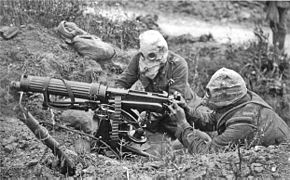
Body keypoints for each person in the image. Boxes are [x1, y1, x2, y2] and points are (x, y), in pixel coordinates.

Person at [168, 67, 290, 154]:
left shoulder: (244, 122)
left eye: (210, 94)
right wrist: (187, 110)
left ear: (225, 98)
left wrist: (183, 124)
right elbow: (212, 119)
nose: (205, 97)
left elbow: (206, 153)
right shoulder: (242, 99)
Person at [115, 30, 207, 137]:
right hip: (156, 107)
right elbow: (122, 82)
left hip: (183, 109)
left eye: (152, 55)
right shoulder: (138, 59)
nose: (147, 60)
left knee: (191, 136)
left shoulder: (178, 64)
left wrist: (149, 116)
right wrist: (119, 99)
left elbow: (173, 101)